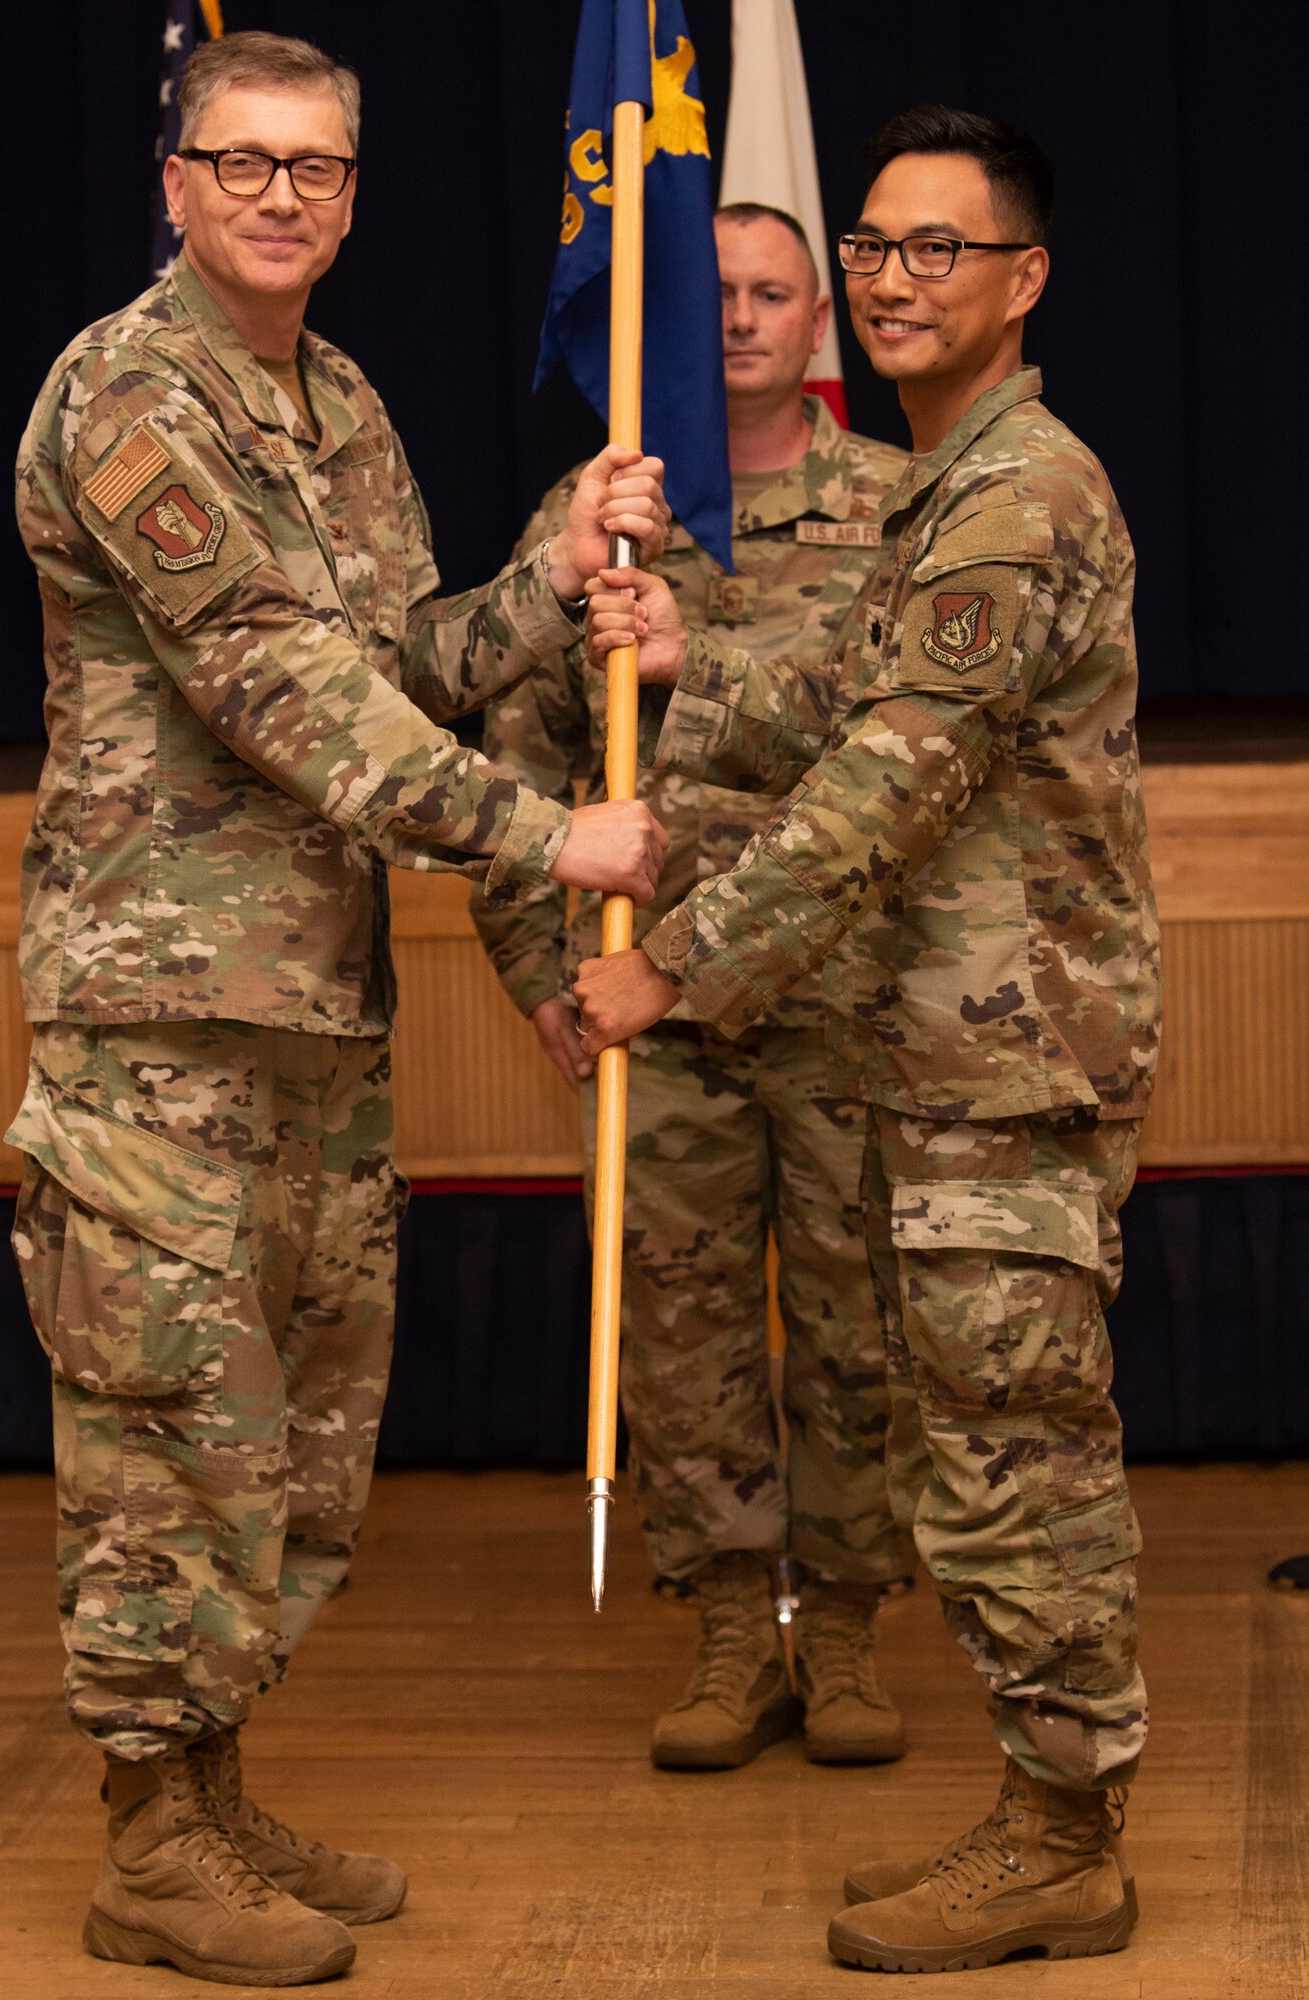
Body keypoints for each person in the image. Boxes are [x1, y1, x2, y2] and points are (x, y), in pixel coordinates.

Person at [6, 30, 669, 1989]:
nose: (280, 194)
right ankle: (147, 1844)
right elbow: (288, 701)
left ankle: (211, 1794)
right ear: (176, 180)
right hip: (161, 1025)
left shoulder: (344, 404)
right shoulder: (130, 395)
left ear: (355, 193)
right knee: (166, 1441)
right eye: (242, 161)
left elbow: (400, 663)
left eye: (315, 167)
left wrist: (549, 586)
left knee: (288, 1455)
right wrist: (558, 841)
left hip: (311, 1015)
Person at [578, 106, 1159, 1973]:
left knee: (1019, 1464)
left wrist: (676, 972)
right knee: (982, 1456)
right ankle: (1041, 1817)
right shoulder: (940, 488)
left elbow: (891, 779)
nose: (899, 282)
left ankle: (1066, 1838)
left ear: (1025, 278)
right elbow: (858, 685)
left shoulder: (1015, 488)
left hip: (1006, 1062)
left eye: (943, 250)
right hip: (947, 1060)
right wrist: (703, 663)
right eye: (881, 251)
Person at [473, 204, 912, 1773]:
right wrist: (538, 970)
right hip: (640, 1013)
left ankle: (846, 1633)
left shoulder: (899, 504)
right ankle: (735, 1631)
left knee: (865, 1323)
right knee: (682, 1325)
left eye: (770, 293)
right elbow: (513, 761)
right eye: (708, 292)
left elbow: (915, 741)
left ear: (818, 326)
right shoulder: (602, 513)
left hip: (855, 993)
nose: (736, 318)